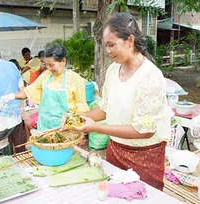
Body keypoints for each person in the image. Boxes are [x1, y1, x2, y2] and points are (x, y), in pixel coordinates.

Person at [71, 13, 171, 191]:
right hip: (115, 151)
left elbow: (145, 131)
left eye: (111, 45)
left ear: (130, 41)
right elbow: (104, 109)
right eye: (106, 45)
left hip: (145, 156)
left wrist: (96, 127)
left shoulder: (150, 76)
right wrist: (77, 118)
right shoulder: (113, 70)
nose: (108, 51)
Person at [0, 44, 89, 131]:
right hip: (44, 128)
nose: (49, 68)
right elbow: (27, 92)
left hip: (66, 130)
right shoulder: (45, 76)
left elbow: (82, 110)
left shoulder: (76, 80)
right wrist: (11, 96)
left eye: (52, 65)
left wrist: (77, 127)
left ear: (63, 61)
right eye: (46, 64)